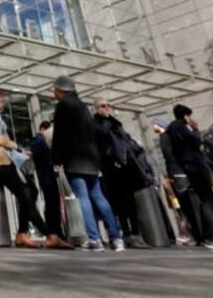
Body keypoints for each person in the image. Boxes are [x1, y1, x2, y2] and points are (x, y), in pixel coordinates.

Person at [0, 89, 72, 250]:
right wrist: (17, 147)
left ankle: (22, 233)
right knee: (25, 194)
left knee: (31, 191)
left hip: (4, 159)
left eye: (0, 95)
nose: (0, 98)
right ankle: (49, 235)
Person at [50, 77, 123, 251]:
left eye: (54, 90)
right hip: (91, 159)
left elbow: (60, 134)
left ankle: (95, 239)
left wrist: (56, 158)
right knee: (98, 196)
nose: (53, 93)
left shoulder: (63, 106)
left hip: (75, 159)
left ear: (60, 90)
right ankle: (116, 238)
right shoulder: (83, 106)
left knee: (82, 197)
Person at [165, 104, 213, 250]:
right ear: (185, 115)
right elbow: (196, 142)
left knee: (203, 199)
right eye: (189, 115)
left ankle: (208, 235)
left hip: (187, 166)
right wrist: (195, 129)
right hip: (195, 164)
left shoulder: (171, 130)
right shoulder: (181, 127)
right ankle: (212, 236)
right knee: (207, 200)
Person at [93, 98, 153, 249]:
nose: (107, 108)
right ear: (96, 108)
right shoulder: (97, 124)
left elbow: (125, 140)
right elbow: (100, 137)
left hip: (126, 165)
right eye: (103, 106)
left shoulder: (115, 123)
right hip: (111, 167)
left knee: (130, 200)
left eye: (109, 105)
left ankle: (135, 233)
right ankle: (126, 233)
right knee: (118, 202)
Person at [153, 117, 198, 245]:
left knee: (183, 207)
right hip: (176, 175)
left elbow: (170, 158)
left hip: (177, 176)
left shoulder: (165, 139)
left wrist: (172, 175)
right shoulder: (167, 138)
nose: (152, 126)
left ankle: (186, 233)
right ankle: (187, 233)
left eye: (154, 124)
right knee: (181, 207)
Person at [30, 121, 63, 241]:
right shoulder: (38, 140)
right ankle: (54, 230)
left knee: (52, 201)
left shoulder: (37, 140)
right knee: (52, 201)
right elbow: (42, 156)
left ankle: (55, 229)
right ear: (43, 129)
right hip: (46, 174)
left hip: (45, 173)